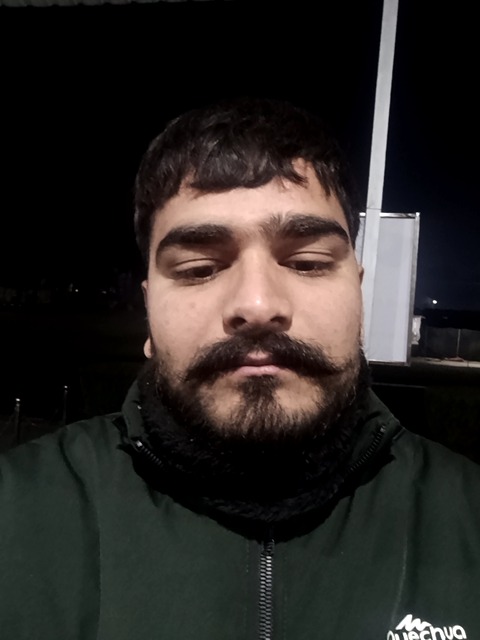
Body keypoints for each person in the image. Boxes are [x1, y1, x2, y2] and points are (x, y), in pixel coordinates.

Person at [1, 97, 479, 640]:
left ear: (358, 296)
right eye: (199, 268)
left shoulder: (467, 518)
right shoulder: (16, 513)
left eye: (307, 263)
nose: (256, 304)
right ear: (149, 314)